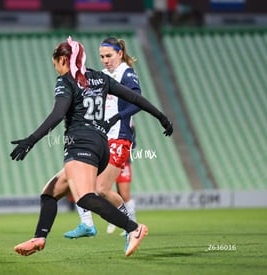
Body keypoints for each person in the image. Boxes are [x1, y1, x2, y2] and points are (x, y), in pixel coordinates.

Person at [10, 36, 173, 257]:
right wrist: (162, 117)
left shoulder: (66, 81)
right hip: (101, 145)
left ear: (63, 60)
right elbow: (135, 97)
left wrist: (30, 140)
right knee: (49, 194)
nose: (56, 68)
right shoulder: (99, 78)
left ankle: (133, 228)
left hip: (82, 144)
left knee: (86, 196)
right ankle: (39, 237)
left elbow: (58, 114)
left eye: (55, 63)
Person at [64, 37, 141, 238]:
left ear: (120, 54)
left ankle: (131, 226)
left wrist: (116, 117)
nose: (105, 60)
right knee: (78, 180)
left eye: (109, 55)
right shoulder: (102, 76)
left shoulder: (127, 73)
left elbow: (137, 101)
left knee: (103, 189)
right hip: (100, 138)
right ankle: (87, 224)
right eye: (102, 56)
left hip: (119, 137)